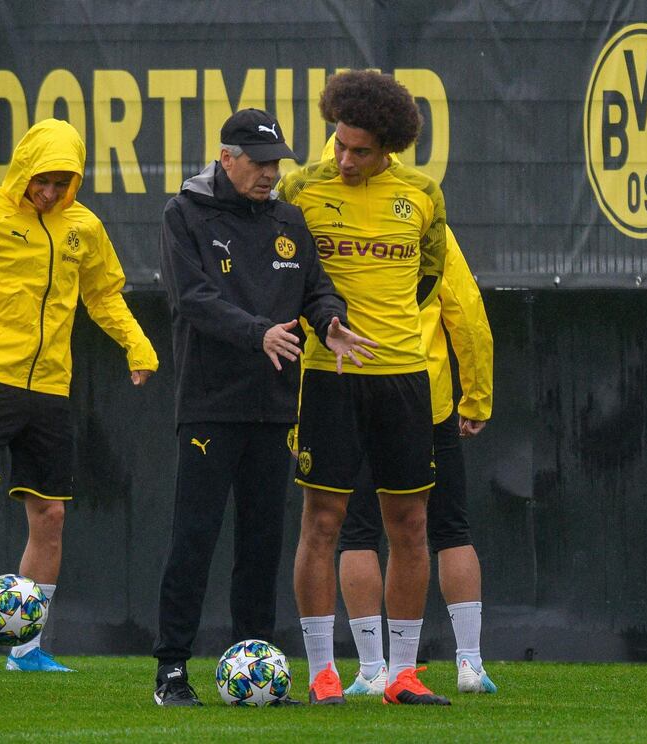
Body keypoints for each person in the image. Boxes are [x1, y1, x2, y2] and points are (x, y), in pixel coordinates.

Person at [152, 108, 376, 707]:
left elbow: (316, 288)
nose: (270, 174)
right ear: (226, 158)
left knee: (260, 544)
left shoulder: (288, 219)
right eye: (259, 162)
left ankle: (253, 663)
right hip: (210, 404)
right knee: (194, 539)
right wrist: (258, 333)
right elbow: (193, 299)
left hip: (276, 407)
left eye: (277, 163)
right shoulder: (185, 214)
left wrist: (329, 323)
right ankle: (171, 668)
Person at [278, 70, 450, 705]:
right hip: (328, 378)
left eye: (360, 151)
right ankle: (324, 673)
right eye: (339, 145)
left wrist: (389, 328)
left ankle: (402, 675)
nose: (345, 159)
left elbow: (428, 277)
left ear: (390, 150)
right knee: (322, 521)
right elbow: (283, 272)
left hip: (404, 377)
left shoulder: (424, 196)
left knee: (409, 523)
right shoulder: (300, 190)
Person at [0, 118, 158, 673]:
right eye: (40, 180)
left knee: (50, 515)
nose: (48, 192)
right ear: (22, 168)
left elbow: (104, 294)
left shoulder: (84, 227)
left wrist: (138, 346)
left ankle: (25, 649)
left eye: (61, 182)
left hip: (51, 388)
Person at [338, 225, 497, 696]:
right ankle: (469, 662)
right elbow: (467, 315)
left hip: (353, 392)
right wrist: (478, 396)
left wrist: (300, 412)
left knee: (357, 532)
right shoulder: (425, 219)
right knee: (450, 530)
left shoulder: (321, 214)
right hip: (427, 397)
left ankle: (371, 670)